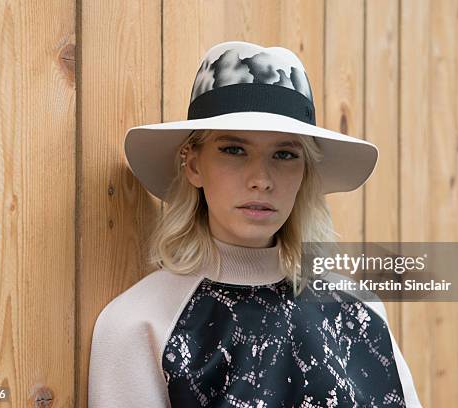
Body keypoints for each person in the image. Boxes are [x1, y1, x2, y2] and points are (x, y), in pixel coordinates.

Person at [88, 40, 422, 407]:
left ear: (305, 172)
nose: (261, 178)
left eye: (284, 154)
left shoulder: (359, 310)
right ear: (194, 164)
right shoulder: (141, 324)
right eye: (234, 149)